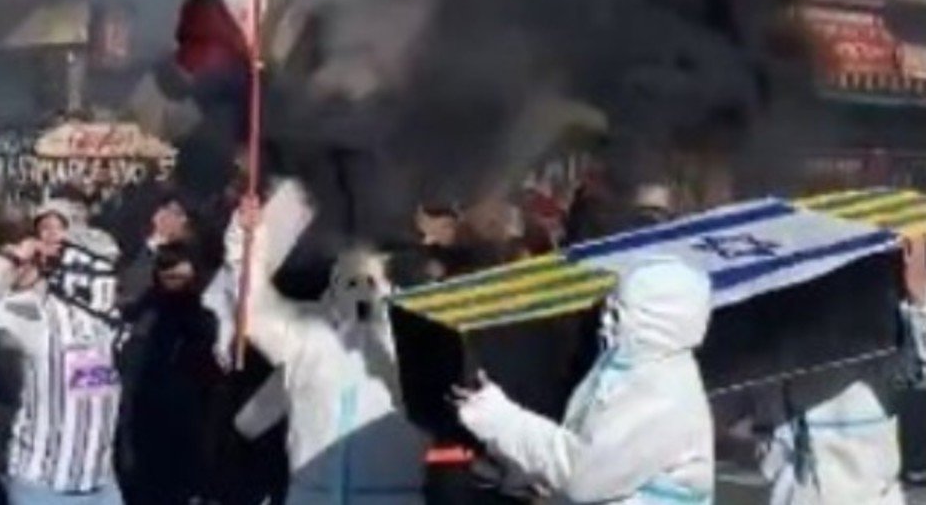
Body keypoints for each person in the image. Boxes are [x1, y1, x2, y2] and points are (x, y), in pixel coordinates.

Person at [230, 180, 430, 505]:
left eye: (370, 281)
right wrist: (249, 240)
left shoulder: (418, 337)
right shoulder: (308, 333)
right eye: (350, 281)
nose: (360, 290)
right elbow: (254, 310)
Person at [453, 257, 715, 504]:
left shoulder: (660, 397)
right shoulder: (627, 367)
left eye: (617, 314)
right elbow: (579, 440)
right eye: (608, 308)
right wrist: (527, 468)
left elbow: (584, 479)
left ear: (655, 325)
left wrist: (504, 422)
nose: (605, 321)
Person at [741, 235, 926, 505]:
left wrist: (918, 297)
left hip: (864, 492)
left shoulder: (877, 323)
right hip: (798, 491)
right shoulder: (773, 331)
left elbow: (918, 367)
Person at [0, 209, 124, 504]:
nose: (107, 279)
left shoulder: (110, 321)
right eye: (97, 267)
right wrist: (10, 261)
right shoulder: (34, 312)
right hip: (43, 484)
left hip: (100, 482)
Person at [123, 242, 221, 504]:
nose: (174, 279)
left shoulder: (203, 317)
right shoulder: (143, 313)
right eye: (168, 272)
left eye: (181, 274)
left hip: (186, 426)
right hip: (144, 421)